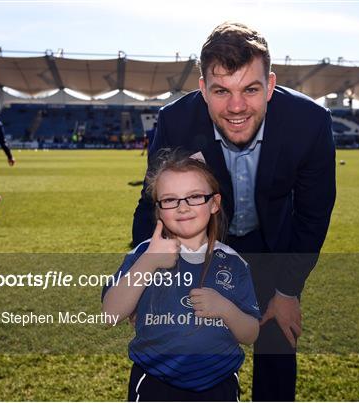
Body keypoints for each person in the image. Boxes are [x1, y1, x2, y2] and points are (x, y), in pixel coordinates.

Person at [132, 22, 336, 401]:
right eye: (221, 90)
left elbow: (313, 215)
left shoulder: (308, 123)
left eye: (251, 89)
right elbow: (154, 205)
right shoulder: (176, 121)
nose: (237, 106)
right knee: (173, 336)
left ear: (271, 85)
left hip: (271, 246)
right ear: (202, 89)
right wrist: (144, 278)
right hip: (203, 243)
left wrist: (288, 291)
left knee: (277, 339)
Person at [103, 152, 261, 401]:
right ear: (158, 210)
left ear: (214, 203)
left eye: (195, 196)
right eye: (170, 200)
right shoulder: (144, 253)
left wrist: (226, 309)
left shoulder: (233, 262)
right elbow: (109, 315)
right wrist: (148, 263)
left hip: (218, 382)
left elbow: (251, 334)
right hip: (155, 381)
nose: (182, 207)